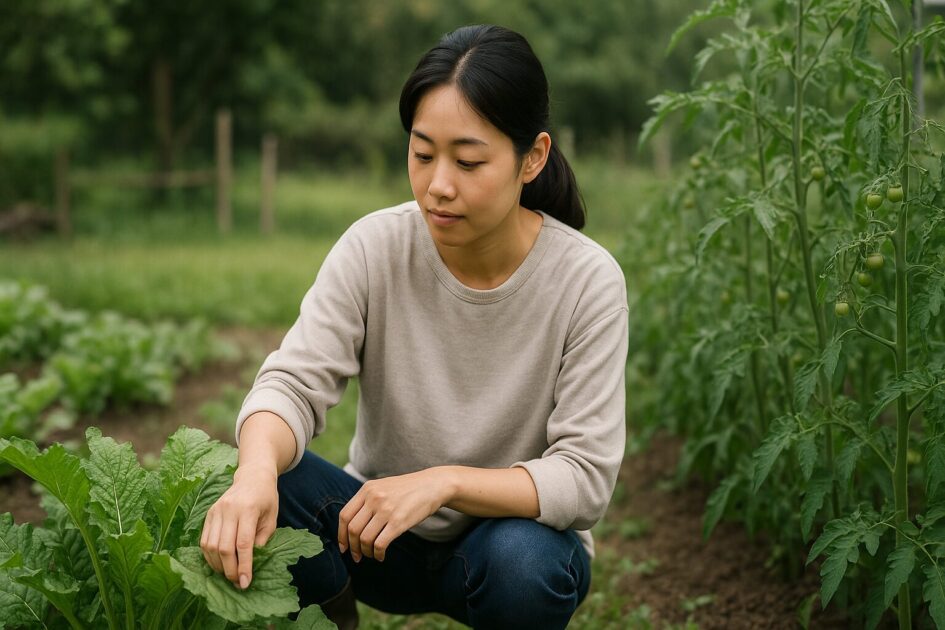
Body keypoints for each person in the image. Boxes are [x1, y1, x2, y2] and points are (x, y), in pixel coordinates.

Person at [199, 24, 628, 630]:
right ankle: (332, 615)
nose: (438, 185)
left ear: (531, 157)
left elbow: (584, 477)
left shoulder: (587, 281)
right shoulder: (376, 247)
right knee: (268, 474)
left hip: (506, 549)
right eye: (422, 154)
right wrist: (252, 476)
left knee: (522, 563)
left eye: (469, 160)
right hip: (373, 538)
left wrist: (443, 484)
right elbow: (292, 385)